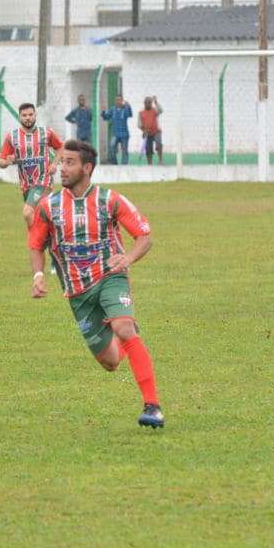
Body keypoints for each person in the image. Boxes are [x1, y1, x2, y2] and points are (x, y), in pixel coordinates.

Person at [27, 140, 164, 429]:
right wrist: (38, 276)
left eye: (69, 163)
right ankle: (125, 331)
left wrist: (127, 259)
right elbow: (35, 244)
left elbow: (144, 236)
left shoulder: (110, 200)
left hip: (110, 276)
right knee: (111, 362)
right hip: (78, 292)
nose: (61, 168)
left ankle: (152, 406)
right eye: (61, 162)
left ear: (87, 168)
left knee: (123, 328)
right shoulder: (48, 207)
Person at [0, 102, 63, 228]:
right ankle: (50, 239)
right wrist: (8, 161)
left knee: (27, 213)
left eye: (30, 114)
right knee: (41, 216)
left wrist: (54, 164)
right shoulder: (12, 137)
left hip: (44, 182)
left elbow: (61, 147)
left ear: (35, 115)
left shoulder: (46, 133)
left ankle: (37, 242)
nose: (28, 117)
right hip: (26, 186)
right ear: (19, 117)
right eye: (24, 115)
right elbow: (1, 161)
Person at [101, 95, 133, 165]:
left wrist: (129, 106)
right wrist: (103, 111)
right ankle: (114, 164)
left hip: (124, 134)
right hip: (115, 134)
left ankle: (124, 165)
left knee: (124, 150)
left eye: (119, 100)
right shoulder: (112, 109)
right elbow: (106, 117)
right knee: (111, 147)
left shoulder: (125, 109)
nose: (118, 102)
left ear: (122, 101)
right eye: (117, 100)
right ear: (115, 101)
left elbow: (130, 114)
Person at [137, 96, 163, 165]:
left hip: (156, 131)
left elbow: (161, 110)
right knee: (148, 148)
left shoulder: (154, 110)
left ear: (151, 103)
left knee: (159, 144)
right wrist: (144, 131)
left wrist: (156, 102)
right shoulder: (141, 113)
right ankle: (150, 163)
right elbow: (139, 125)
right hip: (147, 133)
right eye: (147, 103)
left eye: (150, 103)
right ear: (144, 103)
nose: (148, 104)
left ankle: (160, 160)